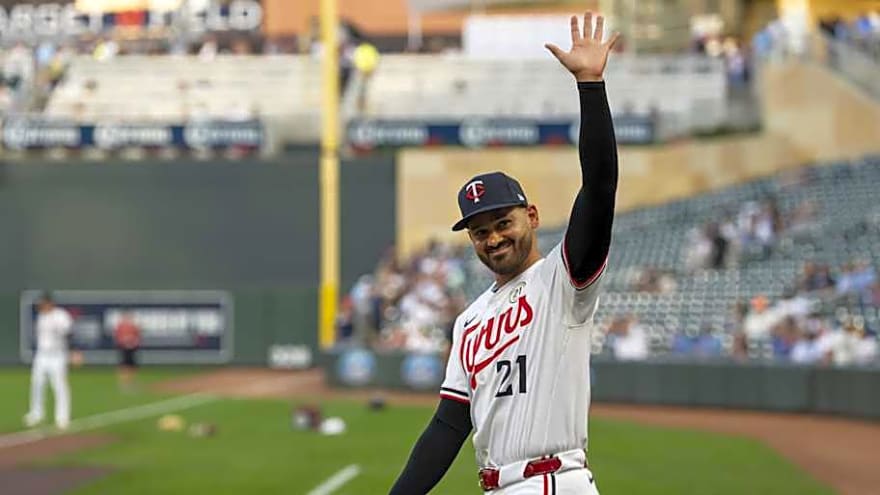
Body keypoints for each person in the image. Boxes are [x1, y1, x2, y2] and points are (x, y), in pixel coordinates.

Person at [390, 10, 619, 494]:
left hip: (554, 482)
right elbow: (449, 426)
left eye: (502, 223)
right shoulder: (470, 321)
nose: (493, 238)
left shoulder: (562, 280)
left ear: (531, 217)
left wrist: (590, 88)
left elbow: (598, 188)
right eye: (479, 232)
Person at [24, 291, 75, 430]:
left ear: (50, 302)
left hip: (57, 356)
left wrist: (73, 351)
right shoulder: (41, 316)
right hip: (42, 355)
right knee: (37, 383)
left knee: (58, 385)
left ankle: (62, 418)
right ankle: (36, 413)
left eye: (43, 302)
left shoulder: (61, 315)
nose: (41, 305)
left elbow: (70, 333)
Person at [114, 310, 142, 392]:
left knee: (132, 365)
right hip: (124, 347)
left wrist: (134, 343)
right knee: (124, 365)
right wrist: (124, 342)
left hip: (132, 347)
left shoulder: (134, 326)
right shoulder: (120, 326)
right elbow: (118, 337)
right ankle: (124, 384)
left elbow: (138, 336)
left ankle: (131, 382)